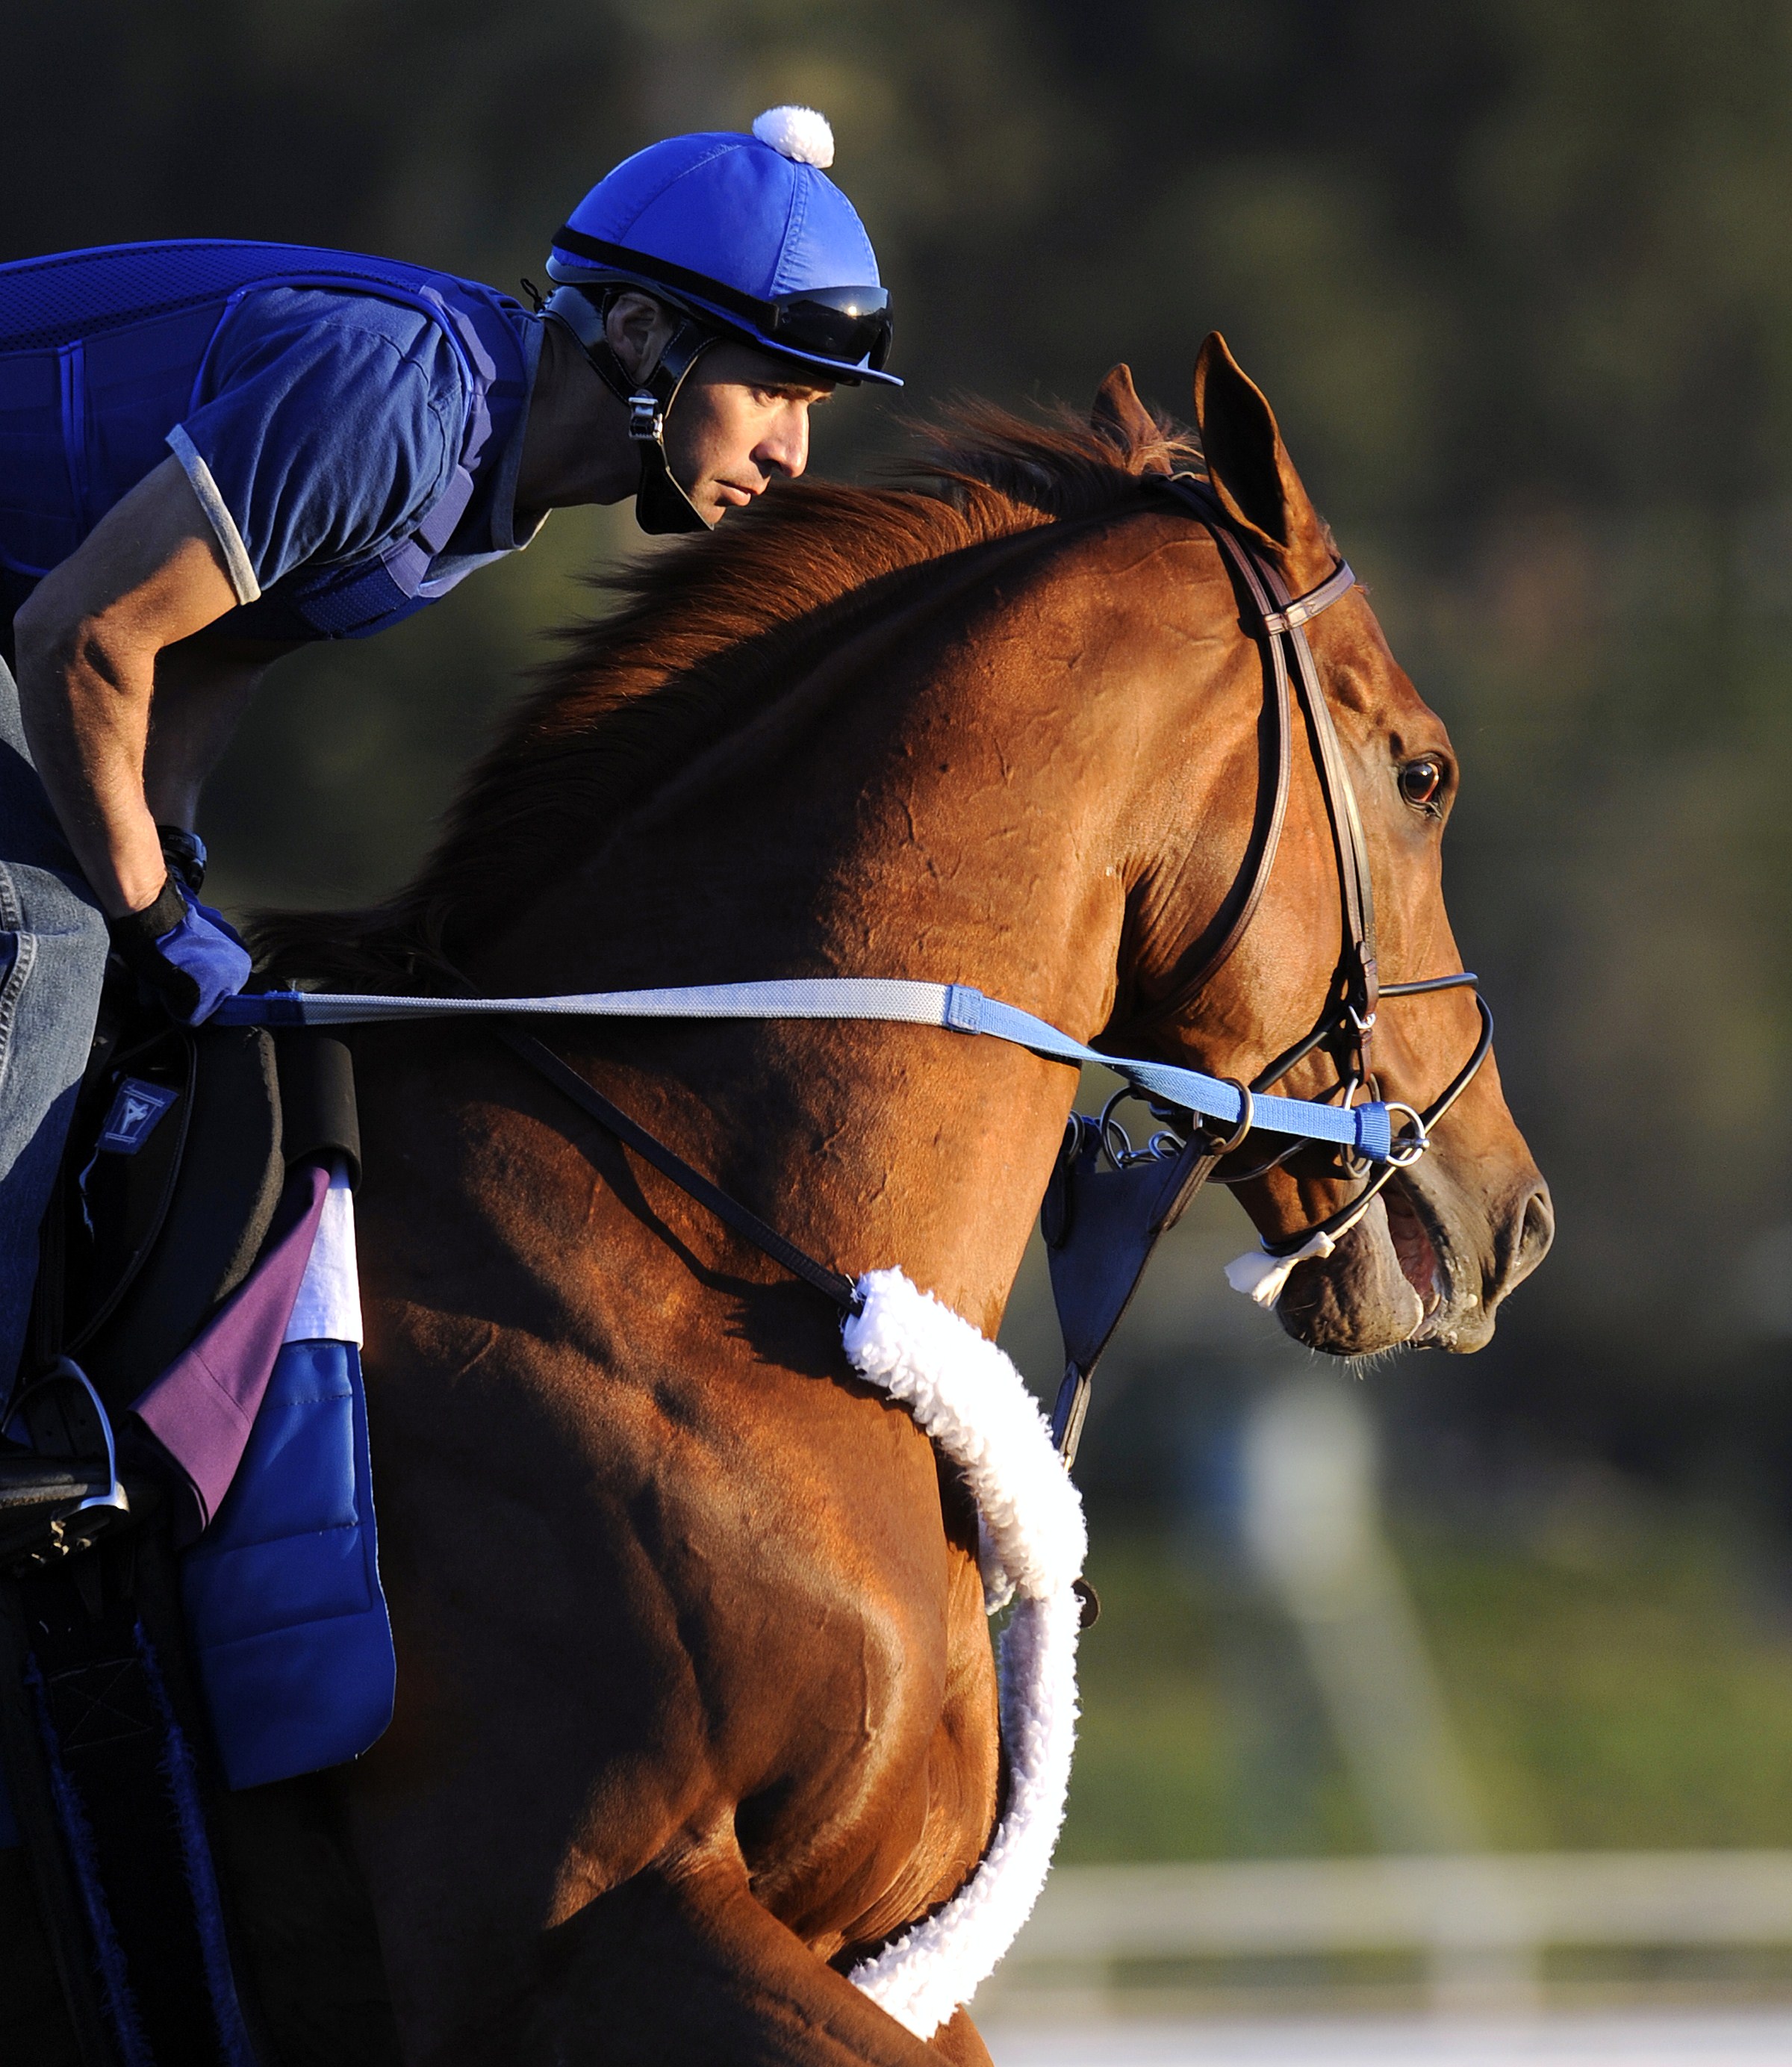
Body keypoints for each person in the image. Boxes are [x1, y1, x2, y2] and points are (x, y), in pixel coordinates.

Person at [0, 105, 897, 1397]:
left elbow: (210, 647)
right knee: (55, 930)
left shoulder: (498, 467)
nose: (792, 452)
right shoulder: (406, 410)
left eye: (810, 405)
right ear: (642, 335)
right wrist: (143, 907)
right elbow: (80, 638)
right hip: (43, 624)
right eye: (771, 390)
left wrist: (171, 870)